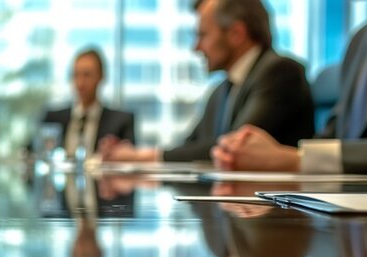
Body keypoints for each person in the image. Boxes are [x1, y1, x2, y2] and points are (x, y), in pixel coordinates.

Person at [212, 0, 367, 180]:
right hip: (352, 224)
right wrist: (274, 154)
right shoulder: (361, 39)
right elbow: (336, 135)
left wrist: (297, 159)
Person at [102, 0, 314, 162]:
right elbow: (190, 146)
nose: (196, 47)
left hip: (275, 214)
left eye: (203, 35)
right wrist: (134, 154)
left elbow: (234, 147)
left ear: (236, 34)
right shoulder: (221, 90)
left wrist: (140, 157)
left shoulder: (280, 72)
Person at [41, 49, 135, 158]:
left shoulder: (121, 122)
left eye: (87, 75)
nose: (80, 83)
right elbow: (30, 153)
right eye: (76, 75)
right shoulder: (52, 119)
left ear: (101, 76)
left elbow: (130, 159)